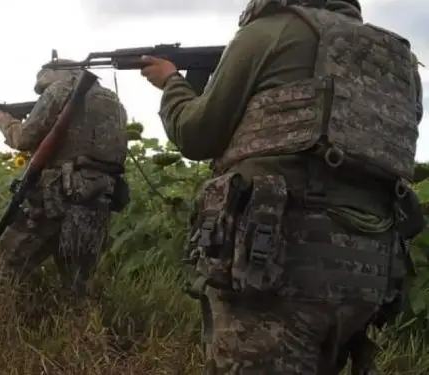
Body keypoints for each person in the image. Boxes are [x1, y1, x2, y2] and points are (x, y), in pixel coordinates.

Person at [139, 0, 423, 373]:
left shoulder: (270, 31)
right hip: (369, 270)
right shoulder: (397, 57)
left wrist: (172, 83)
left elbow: (196, 136)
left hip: (275, 259)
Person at [0, 62, 130, 300]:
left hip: (52, 198)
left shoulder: (60, 89)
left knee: (1, 272)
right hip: (97, 199)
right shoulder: (114, 101)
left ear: (53, 73)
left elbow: (24, 139)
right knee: (77, 288)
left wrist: (1, 119)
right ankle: (84, 335)